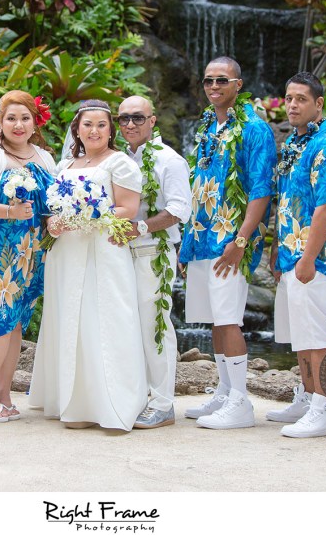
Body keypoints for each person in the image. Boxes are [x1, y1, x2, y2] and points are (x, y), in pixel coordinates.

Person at [28, 99, 147, 431]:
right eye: (87, 125)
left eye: (102, 125)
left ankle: (111, 405)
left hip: (102, 250)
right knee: (70, 319)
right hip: (66, 252)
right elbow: (53, 206)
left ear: (110, 130)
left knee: (105, 318)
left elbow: (129, 208)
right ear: (76, 130)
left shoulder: (120, 163)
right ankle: (75, 403)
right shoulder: (65, 166)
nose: (94, 131)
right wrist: (54, 222)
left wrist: (88, 215)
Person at [179, 56, 276, 429]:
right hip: (202, 239)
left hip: (230, 243)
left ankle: (241, 402)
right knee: (216, 321)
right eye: (208, 81)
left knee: (230, 319)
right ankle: (224, 391)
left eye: (222, 80)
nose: (214, 87)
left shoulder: (254, 128)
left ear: (239, 84)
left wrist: (241, 239)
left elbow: (261, 189)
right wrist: (188, 243)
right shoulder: (208, 125)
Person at [0, 90, 56, 422]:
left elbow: (52, 205)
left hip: (32, 250)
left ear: (35, 123)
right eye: (11, 118)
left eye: (25, 118)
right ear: (0, 122)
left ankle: (4, 393)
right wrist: (8, 212)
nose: (18, 124)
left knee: (17, 324)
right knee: (1, 318)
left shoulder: (45, 159)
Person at [269, 71, 326, 438]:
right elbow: (285, 200)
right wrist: (276, 247)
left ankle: (324, 408)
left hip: (313, 255)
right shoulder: (293, 144)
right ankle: (307, 397)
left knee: (316, 330)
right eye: (289, 98)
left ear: (319, 104)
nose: (293, 105)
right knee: (300, 331)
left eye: (302, 99)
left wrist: (307, 257)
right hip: (289, 251)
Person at [115, 96, 191, 429]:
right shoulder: (121, 159)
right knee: (130, 328)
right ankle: (138, 397)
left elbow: (178, 210)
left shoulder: (169, 160)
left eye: (137, 118)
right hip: (121, 256)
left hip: (154, 254)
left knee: (155, 327)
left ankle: (163, 403)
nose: (129, 124)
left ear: (153, 120)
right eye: (123, 119)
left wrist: (141, 227)